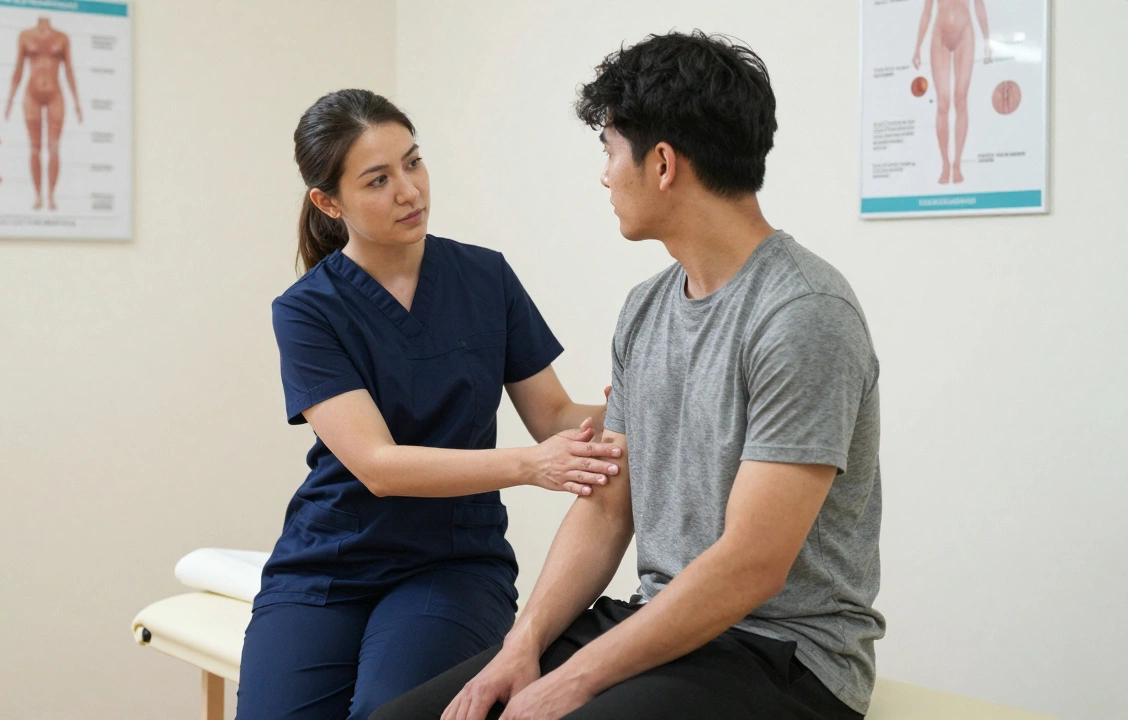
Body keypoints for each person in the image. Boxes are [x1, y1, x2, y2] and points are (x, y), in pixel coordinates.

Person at [374, 30, 884, 720]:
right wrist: (523, 646)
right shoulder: (646, 309)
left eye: (611, 151)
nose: (605, 175)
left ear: (664, 164)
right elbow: (607, 505)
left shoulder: (802, 314)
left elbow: (752, 565)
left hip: (780, 654)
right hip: (662, 624)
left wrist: (575, 680)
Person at [235, 89, 622, 720]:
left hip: (453, 564)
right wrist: (531, 466)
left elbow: (551, 415)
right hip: (327, 565)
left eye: (413, 164)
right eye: (379, 180)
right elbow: (379, 467)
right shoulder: (307, 310)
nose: (409, 191)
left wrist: (634, 405)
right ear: (328, 203)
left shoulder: (484, 277)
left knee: (390, 711)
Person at [5, 17, 82, 211]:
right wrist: (9, 100)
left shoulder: (62, 37)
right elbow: (18, 69)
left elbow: (70, 71)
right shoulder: (25, 35)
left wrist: (77, 103)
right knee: (35, 147)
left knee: (54, 147)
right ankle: (38, 195)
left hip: (55, 93)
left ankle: (51, 196)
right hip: (32, 94)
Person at [913, 0, 991, 184]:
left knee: (961, 100)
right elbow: (927, 12)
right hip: (940, 34)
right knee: (942, 104)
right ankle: (945, 165)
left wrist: (988, 39)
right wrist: (917, 46)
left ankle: (957, 164)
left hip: (965, 33)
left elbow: (979, 4)